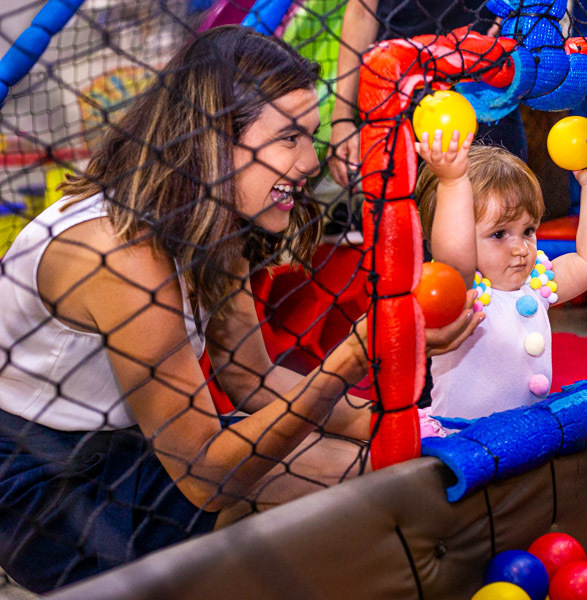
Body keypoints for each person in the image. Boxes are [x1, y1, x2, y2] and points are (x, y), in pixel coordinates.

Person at [0, 26, 479, 593]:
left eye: (312, 135)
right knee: (315, 485)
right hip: (43, 488)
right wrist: (352, 357)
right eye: (289, 138)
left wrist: (397, 427)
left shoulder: (204, 217)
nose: (310, 162)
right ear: (213, 140)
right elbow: (209, 476)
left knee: (372, 468)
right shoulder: (122, 253)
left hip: (130, 450)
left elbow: (253, 377)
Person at [414, 128, 587, 432]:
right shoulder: (459, 293)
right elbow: (455, 252)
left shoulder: (536, 285)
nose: (521, 248)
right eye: (499, 235)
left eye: (528, 231)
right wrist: (452, 183)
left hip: (525, 437)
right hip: (463, 442)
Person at [328, 0, 527, 189]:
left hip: (485, 76)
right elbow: (361, 12)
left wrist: (514, 12)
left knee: (504, 201)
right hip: (402, 83)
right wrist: (342, 118)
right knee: (410, 212)